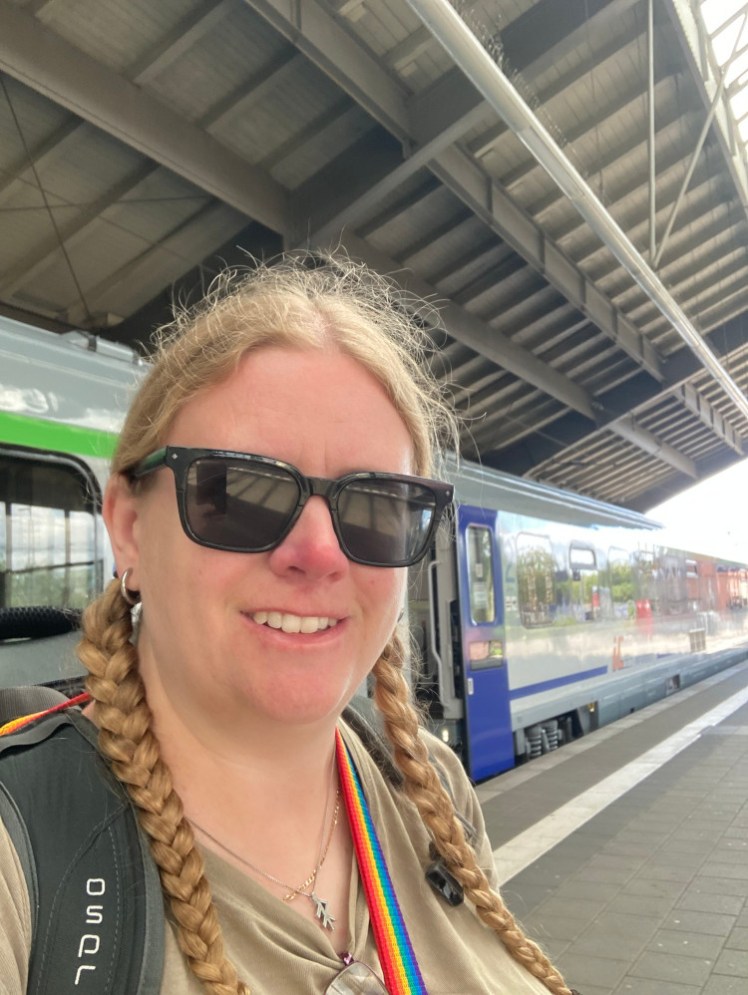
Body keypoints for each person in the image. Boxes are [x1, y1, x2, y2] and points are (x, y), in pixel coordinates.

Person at [0, 253, 577, 994]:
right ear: (129, 528)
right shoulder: (25, 860)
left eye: (376, 506)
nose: (319, 552)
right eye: (240, 492)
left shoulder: (430, 792)